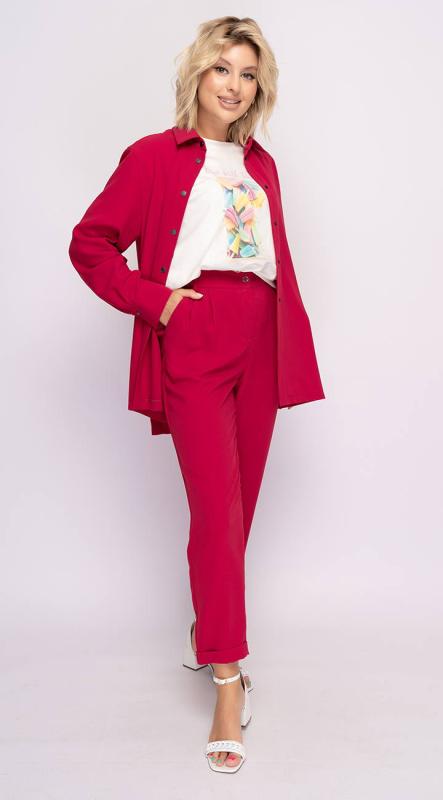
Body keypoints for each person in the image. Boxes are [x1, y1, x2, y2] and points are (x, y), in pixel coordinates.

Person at [68, 15, 325, 774]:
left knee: (237, 511)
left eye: (248, 74)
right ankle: (227, 677)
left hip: (261, 331)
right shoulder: (155, 155)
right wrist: (160, 303)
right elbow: (90, 243)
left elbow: (273, 258)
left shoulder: (262, 165)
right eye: (222, 68)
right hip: (197, 329)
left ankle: (206, 631)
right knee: (216, 508)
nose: (234, 85)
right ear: (197, 74)